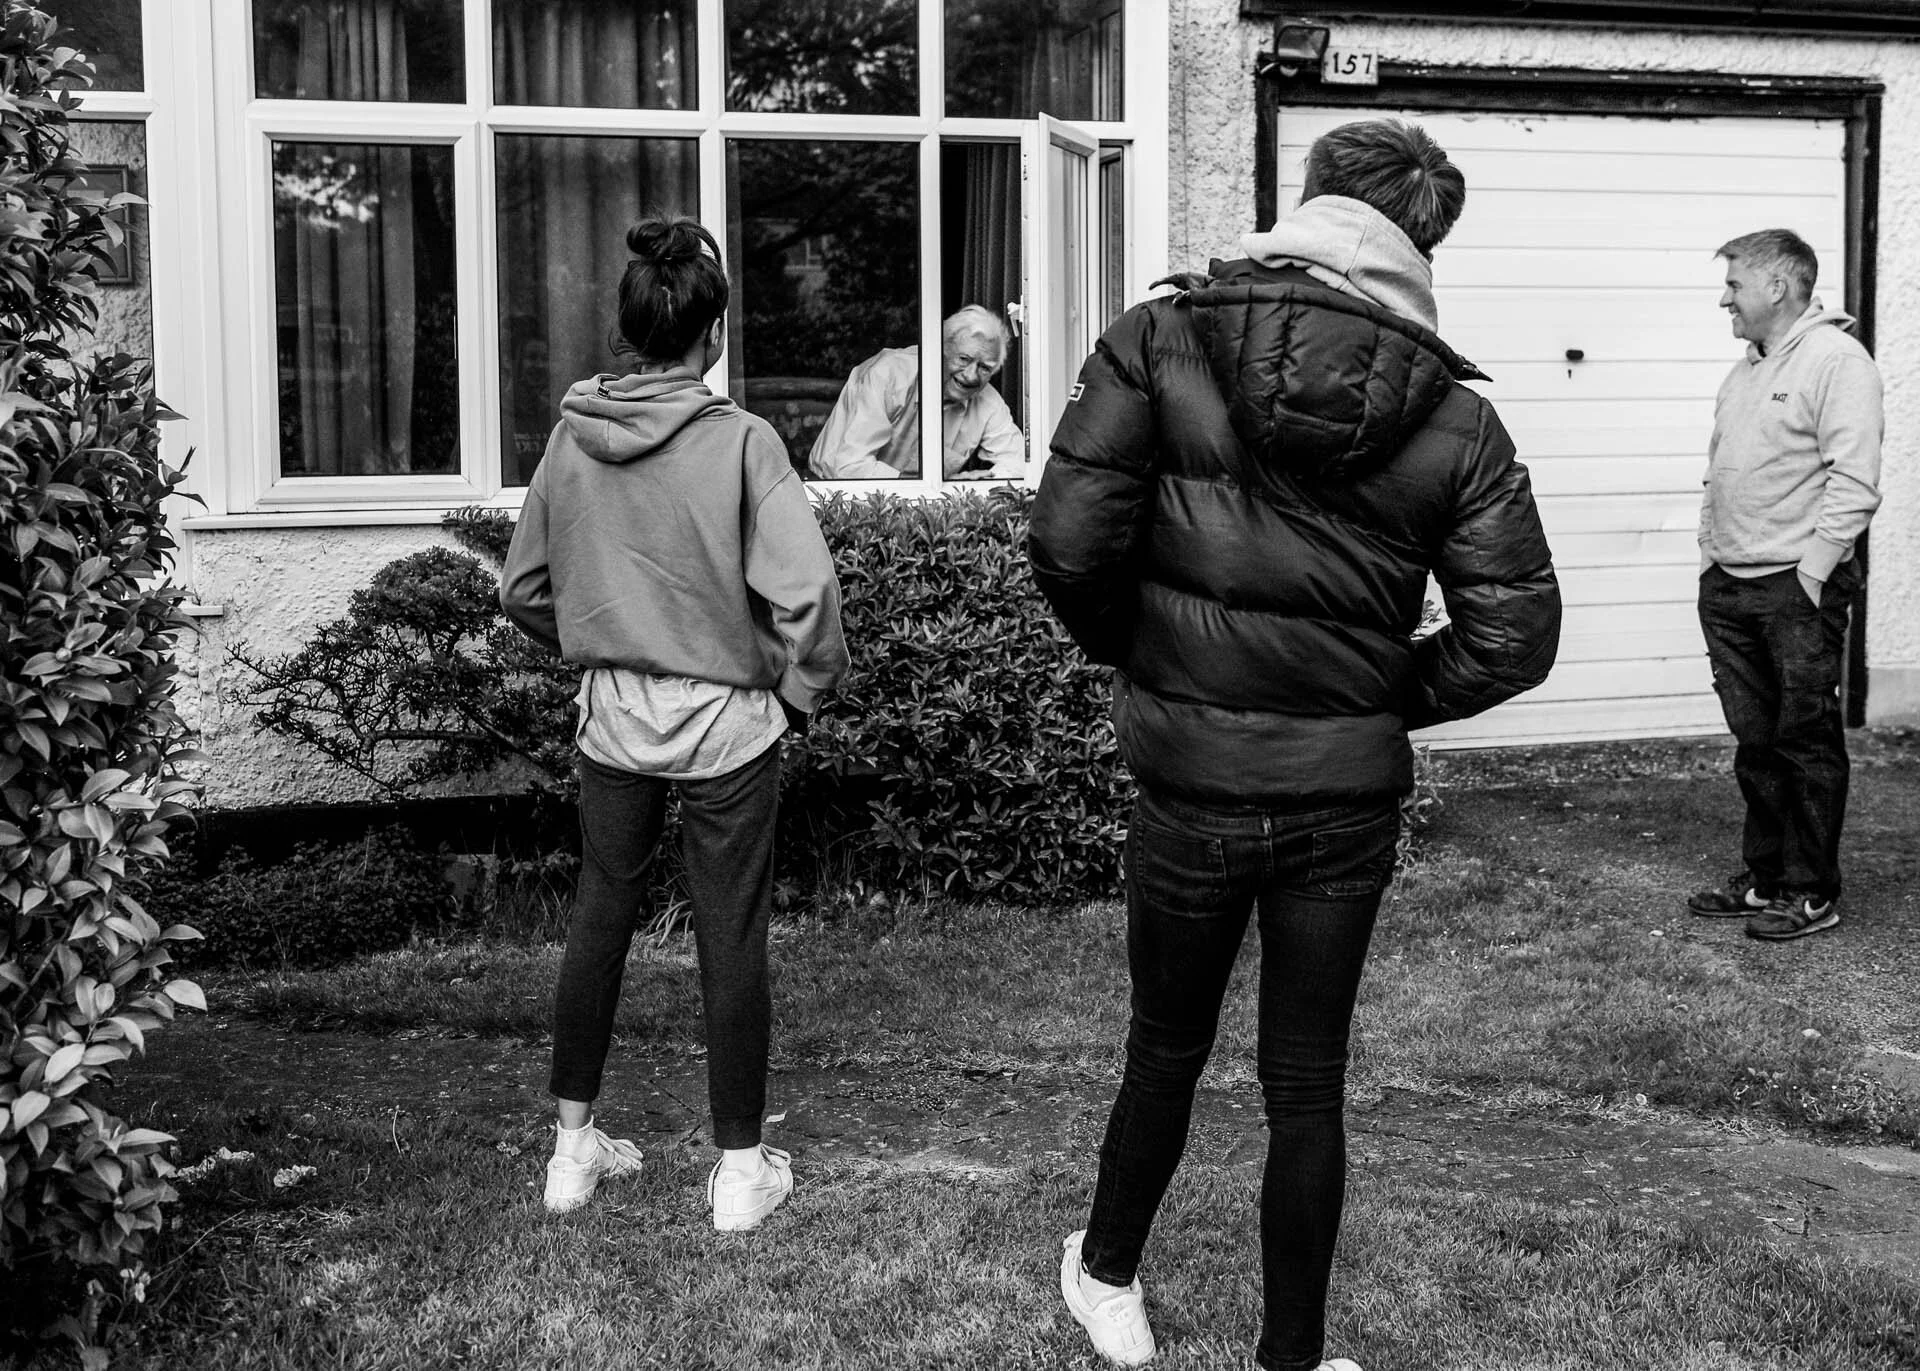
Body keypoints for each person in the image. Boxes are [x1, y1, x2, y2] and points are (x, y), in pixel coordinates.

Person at [1028, 119, 1560, 1370]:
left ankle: (1107, 1277)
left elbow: (1066, 544)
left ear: (1311, 201)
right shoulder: (1457, 415)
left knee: (1167, 1045)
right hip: (1341, 799)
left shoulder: (1162, 335)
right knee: (1305, 1080)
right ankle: (1294, 1355)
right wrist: (1376, 695)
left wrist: (1160, 662)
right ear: (1421, 241)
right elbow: (1513, 638)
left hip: (1197, 787)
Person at [500, 215, 850, 1229]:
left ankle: (571, 1155)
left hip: (613, 722)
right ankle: (739, 1178)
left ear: (629, 327)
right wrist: (793, 692)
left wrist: (606, 639)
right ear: (714, 333)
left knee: (599, 916)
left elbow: (526, 588)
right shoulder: (740, 442)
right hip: (730, 732)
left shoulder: (572, 439)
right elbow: (810, 599)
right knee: (730, 933)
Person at [1688, 229, 1882, 941]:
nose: (1724, 298)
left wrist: (1812, 572)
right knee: (1756, 741)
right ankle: (1766, 878)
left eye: (1734, 283)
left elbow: (1855, 481)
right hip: (1732, 585)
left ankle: (1808, 891)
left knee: (1804, 740)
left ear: (1777, 286)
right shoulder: (1745, 371)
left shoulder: (1838, 361)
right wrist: (1712, 555)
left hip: (1796, 588)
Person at [806, 304, 1024, 480]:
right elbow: (849, 468)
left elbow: (1020, 465)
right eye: (964, 359)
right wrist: (920, 486)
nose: (971, 375)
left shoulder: (988, 401)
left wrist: (982, 478)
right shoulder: (888, 375)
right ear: (940, 349)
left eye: (985, 367)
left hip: (921, 507)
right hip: (832, 494)